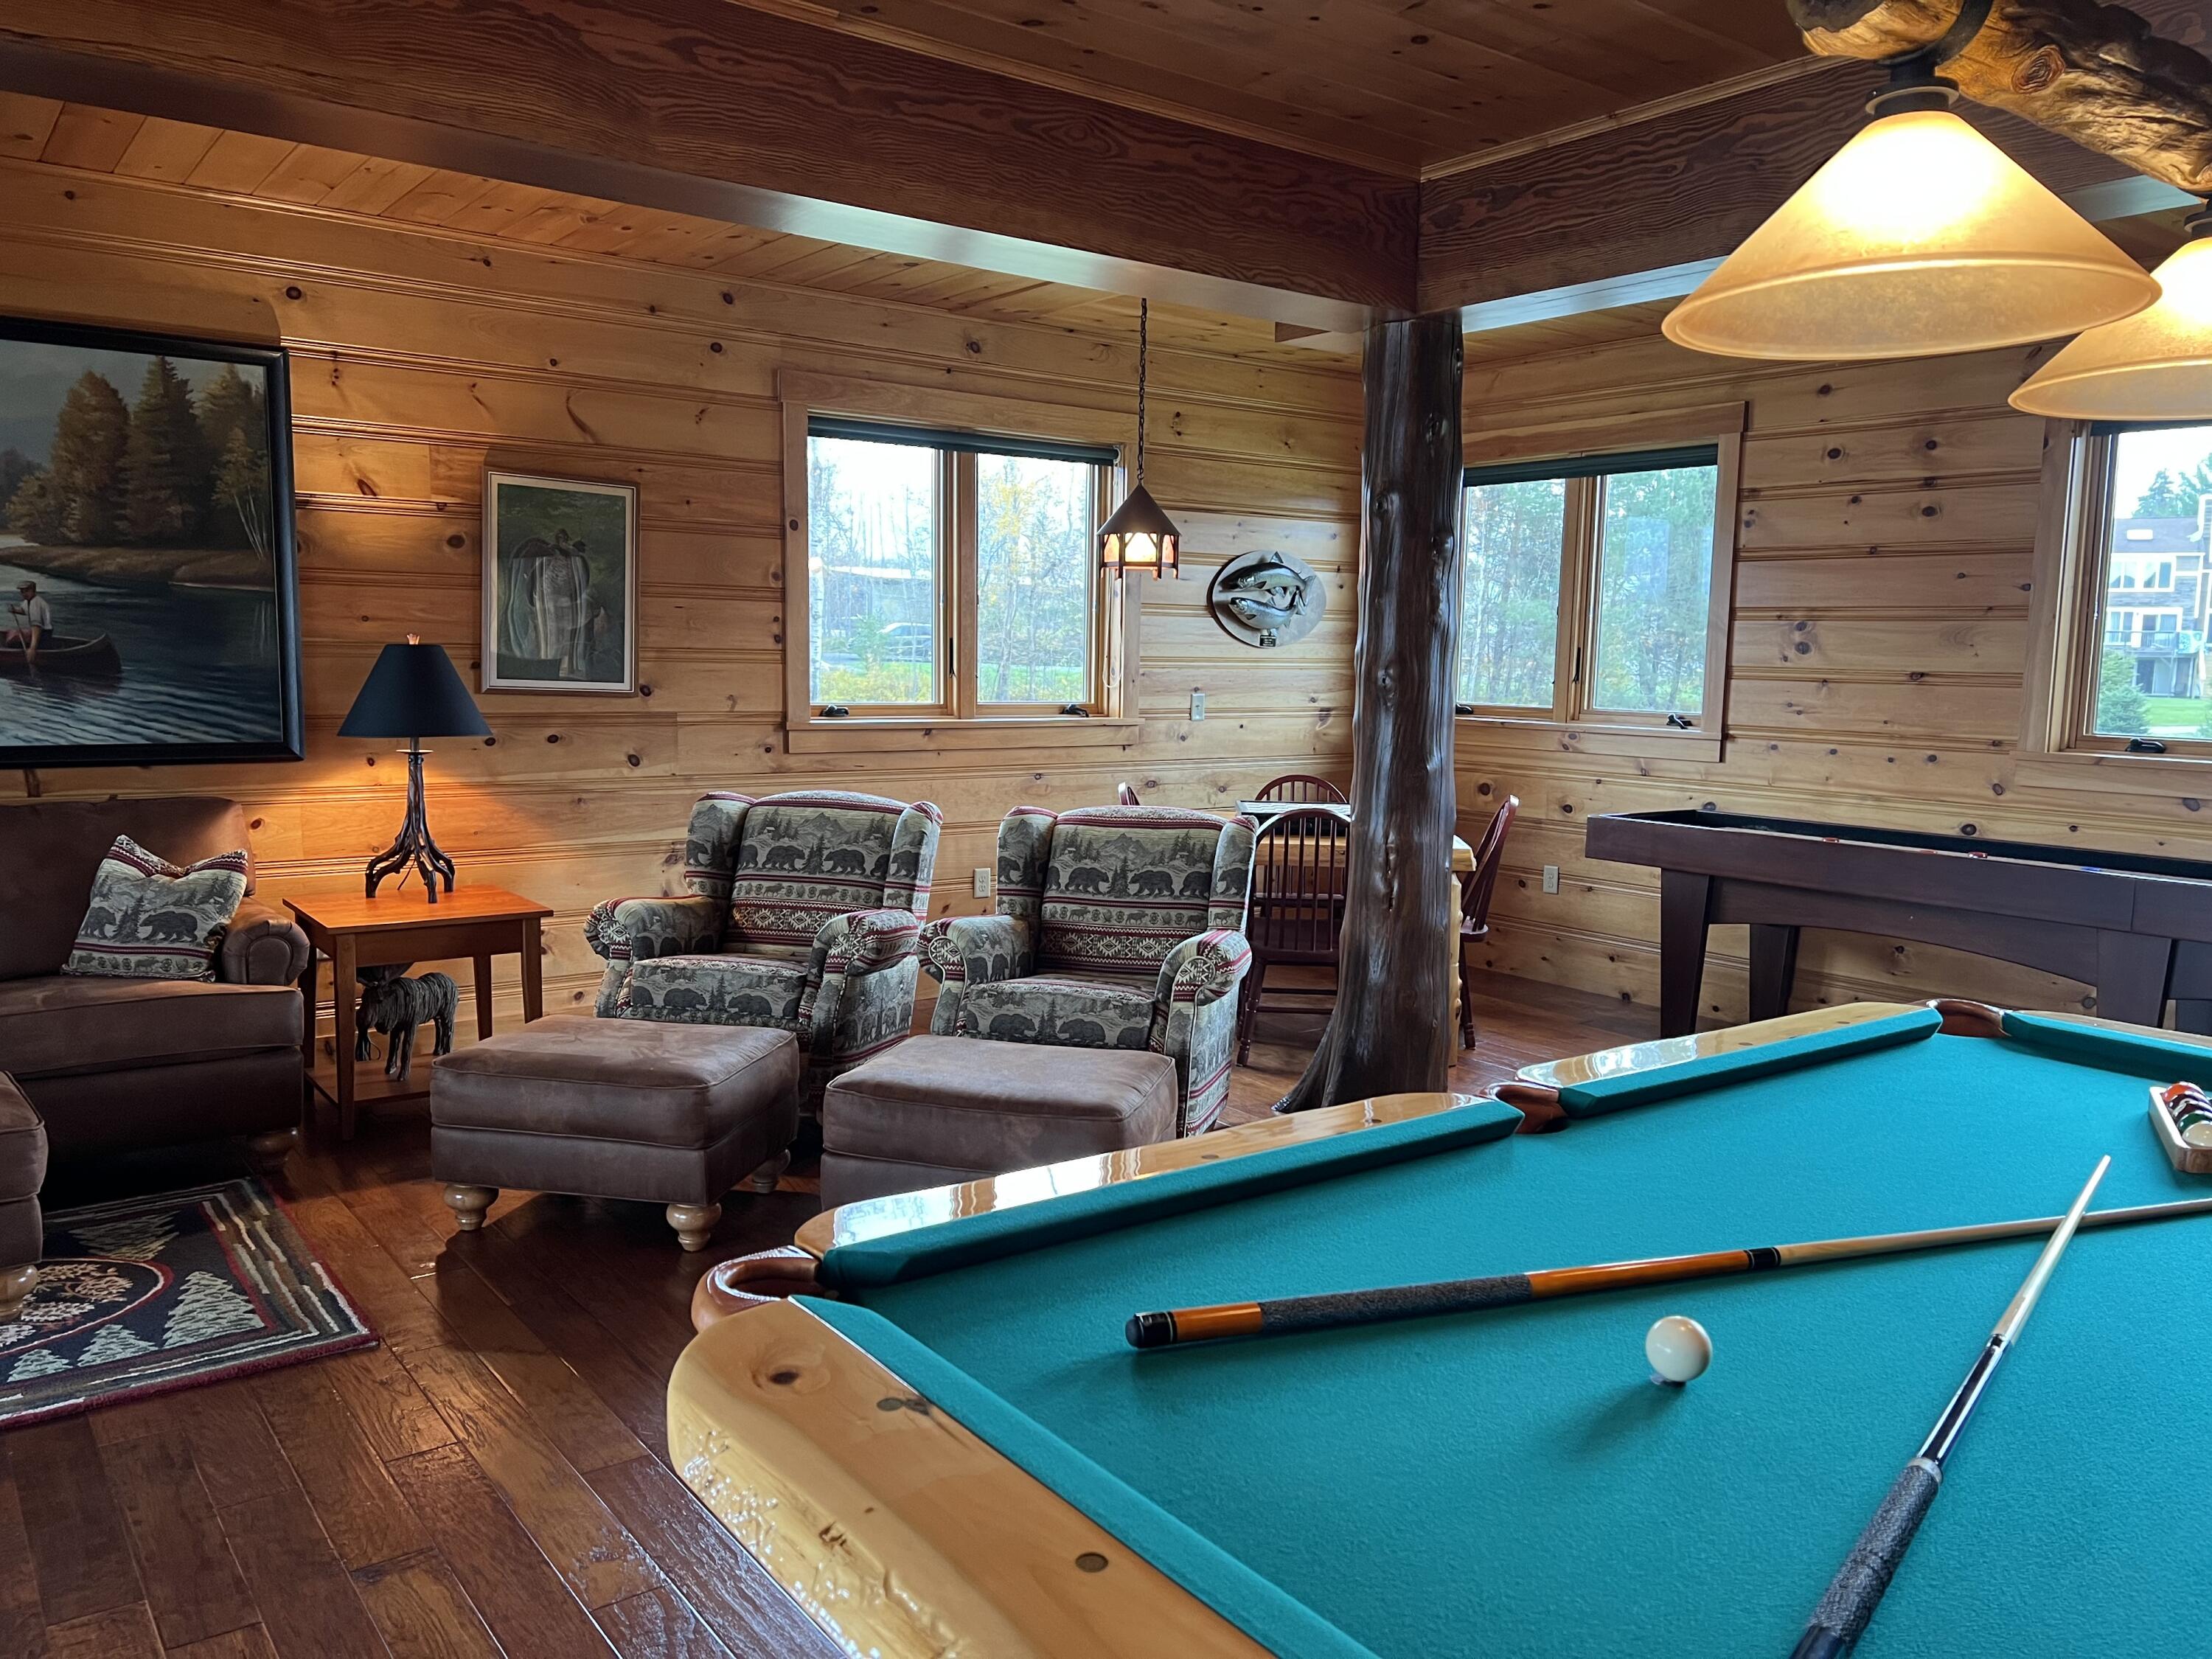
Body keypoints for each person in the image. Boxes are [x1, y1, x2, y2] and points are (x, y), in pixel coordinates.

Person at [5, 580, 52, 664]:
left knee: (13, 644)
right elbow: (24, 611)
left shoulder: (36, 603)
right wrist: (15, 610)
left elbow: (37, 627)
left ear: (34, 591)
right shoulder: (28, 601)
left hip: (43, 635)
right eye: (22, 592)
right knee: (14, 638)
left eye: (27, 591)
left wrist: (32, 649)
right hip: (38, 633)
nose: (24, 594)